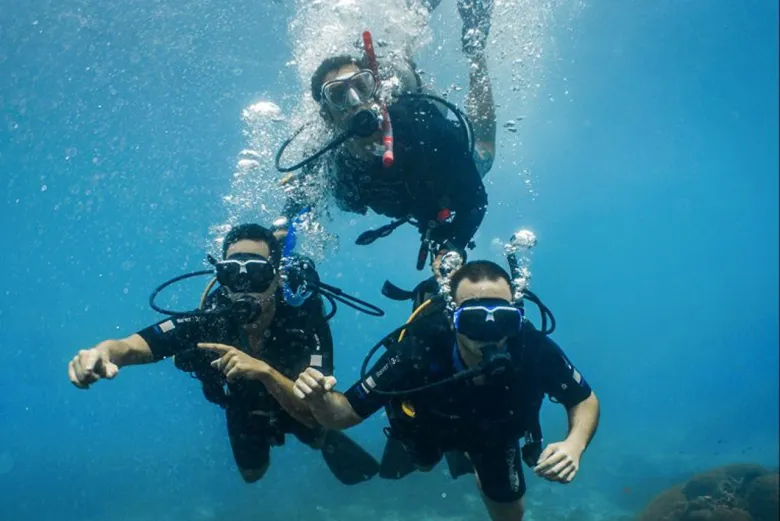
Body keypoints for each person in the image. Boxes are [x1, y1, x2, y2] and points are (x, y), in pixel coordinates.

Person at [67, 223, 380, 485]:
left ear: (276, 278)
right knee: (252, 475)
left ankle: (322, 443)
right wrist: (101, 352)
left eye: (257, 275)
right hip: (242, 403)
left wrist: (265, 372)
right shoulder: (212, 319)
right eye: (232, 274)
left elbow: (315, 413)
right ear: (221, 279)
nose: (244, 288)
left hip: (296, 402)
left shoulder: (304, 321)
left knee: (313, 430)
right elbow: (131, 345)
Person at [293, 259, 600, 521]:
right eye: (473, 320)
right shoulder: (418, 346)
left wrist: (575, 445)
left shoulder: (533, 347)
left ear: (516, 315)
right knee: (424, 465)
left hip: (496, 434)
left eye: (503, 320)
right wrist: (319, 399)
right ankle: (455, 458)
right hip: (429, 427)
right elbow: (345, 413)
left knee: (511, 515)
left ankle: (479, 467)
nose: (489, 335)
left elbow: (583, 399)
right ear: (453, 319)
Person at [276, 0, 497, 270]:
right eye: (338, 95)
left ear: (374, 89)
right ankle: (411, 20)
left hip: (443, 178)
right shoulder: (327, 157)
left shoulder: (422, 123)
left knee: (484, 153)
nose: (355, 100)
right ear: (327, 116)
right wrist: (277, 238)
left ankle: (473, 47)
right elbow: (300, 200)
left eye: (361, 85)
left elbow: (475, 201)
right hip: (412, 202)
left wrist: (452, 246)